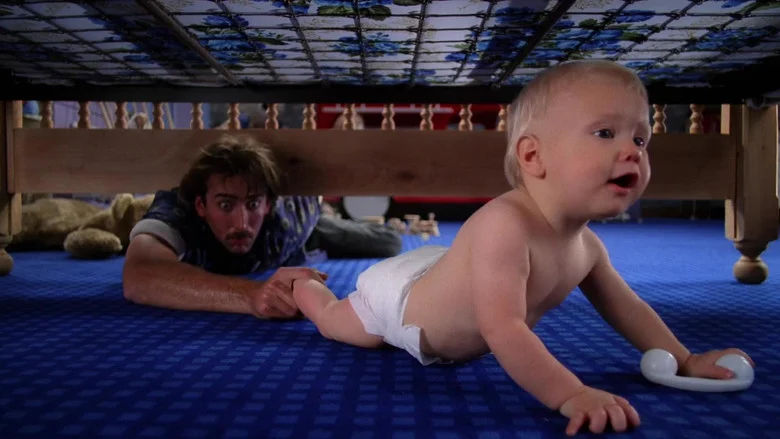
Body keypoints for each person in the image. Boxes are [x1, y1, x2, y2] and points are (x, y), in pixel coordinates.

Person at [290, 60, 754, 436]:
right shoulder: (504, 226)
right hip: (401, 303)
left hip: (452, 272)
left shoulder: (587, 247)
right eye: (605, 133)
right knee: (338, 324)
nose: (633, 151)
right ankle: (303, 287)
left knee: (459, 269)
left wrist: (684, 358)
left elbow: (628, 308)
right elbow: (503, 328)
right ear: (533, 156)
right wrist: (570, 393)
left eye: (639, 138)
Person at [122, 135, 402, 319]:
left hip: (307, 235)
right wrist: (251, 294)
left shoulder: (293, 216)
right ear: (201, 205)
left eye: (253, 204)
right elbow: (139, 275)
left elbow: (313, 193)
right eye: (225, 205)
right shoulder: (178, 210)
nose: (242, 224)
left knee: (389, 242)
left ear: (268, 205)